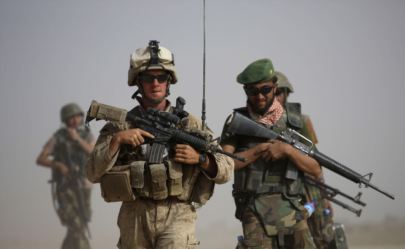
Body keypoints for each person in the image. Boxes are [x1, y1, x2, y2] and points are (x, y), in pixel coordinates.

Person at [86, 40, 234, 249]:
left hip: (178, 214)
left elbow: (227, 168)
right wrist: (118, 140)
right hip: (134, 215)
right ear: (138, 82)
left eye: (161, 77)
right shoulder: (121, 125)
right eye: (148, 78)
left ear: (169, 82)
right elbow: (92, 172)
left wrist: (200, 159)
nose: (155, 83)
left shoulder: (190, 124)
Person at [220, 58, 321, 249]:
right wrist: (259, 150)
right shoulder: (236, 122)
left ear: (275, 87)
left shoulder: (295, 122)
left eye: (265, 89)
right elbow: (224, 164)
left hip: (291, 209)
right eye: (252, 91)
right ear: (246, 91)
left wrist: (287, 150)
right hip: (254, 211)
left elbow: (315, 170)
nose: (259, 96)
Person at [275, 71, 336, 249]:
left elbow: (315, 159)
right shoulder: (262, 120)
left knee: (320, 235)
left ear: (286, 94)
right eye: (274, 92)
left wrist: (324, 197)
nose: (275, 98)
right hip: (281, 190)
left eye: (279, 93)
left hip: (307, 187)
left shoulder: (300, 121)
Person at [36, 103, 95, 249]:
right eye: (71, 118)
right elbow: (41, 158)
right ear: (65, 120)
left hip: (84, 186)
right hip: (65, 187)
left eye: (77, 116)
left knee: (81, 220)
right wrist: (57, 165)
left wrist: (77, 140)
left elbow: (93, 154)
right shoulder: (59, 137)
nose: (75, 120)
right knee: (76, 225)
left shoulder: (87, 135)